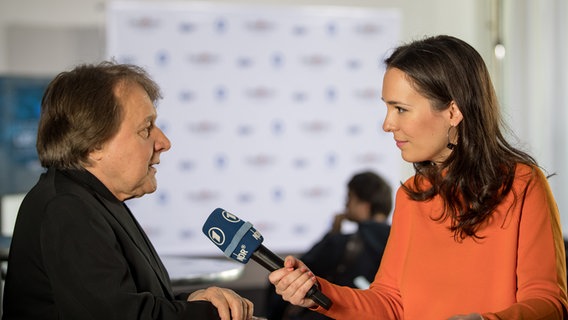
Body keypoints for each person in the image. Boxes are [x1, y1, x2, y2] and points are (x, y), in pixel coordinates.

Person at [268, 35, 568, 319]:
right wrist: (319, 292)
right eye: (387, 107)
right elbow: (388, 303)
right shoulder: (412, 194)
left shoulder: (523, 183)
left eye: (400, 109)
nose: (387, 124)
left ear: (453, 111)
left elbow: (548, 302)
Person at [2, 61, 254, 320]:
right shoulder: (67, 208)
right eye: (146, 129)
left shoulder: (91, 200)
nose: (164, 142)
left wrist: (191, 302)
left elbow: (126, 304)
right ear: (94, 144)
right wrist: (216, 315)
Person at [266, 171, 392, 320]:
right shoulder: (399, 242)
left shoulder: (340, 242)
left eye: (349, 198)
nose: (345, 205)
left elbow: (300, 270)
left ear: (364, 206)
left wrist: (332, 234)